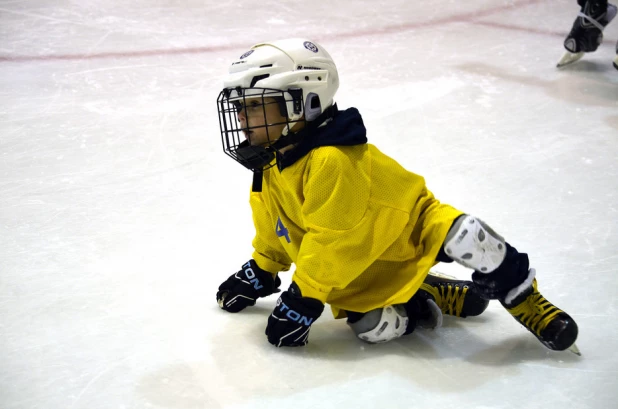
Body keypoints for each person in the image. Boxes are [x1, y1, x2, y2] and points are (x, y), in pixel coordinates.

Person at [215, 38, 579, 353]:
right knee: (372, 327)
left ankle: (526, 300)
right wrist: (263, 269)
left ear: (304, 101)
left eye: (255, 105)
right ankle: (426, 296)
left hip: (409, 228)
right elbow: (276, 223)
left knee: (467, 235)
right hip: (365, 263)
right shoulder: (272, 160)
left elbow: (332, 240)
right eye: (240, 107)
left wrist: (304, 298)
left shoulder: (331, 159)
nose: (244, 119)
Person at [558, 0, 617, 68]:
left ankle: (582, 38)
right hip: (589, 42)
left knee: (605, 9)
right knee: (612, 9)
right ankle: (585, 39)